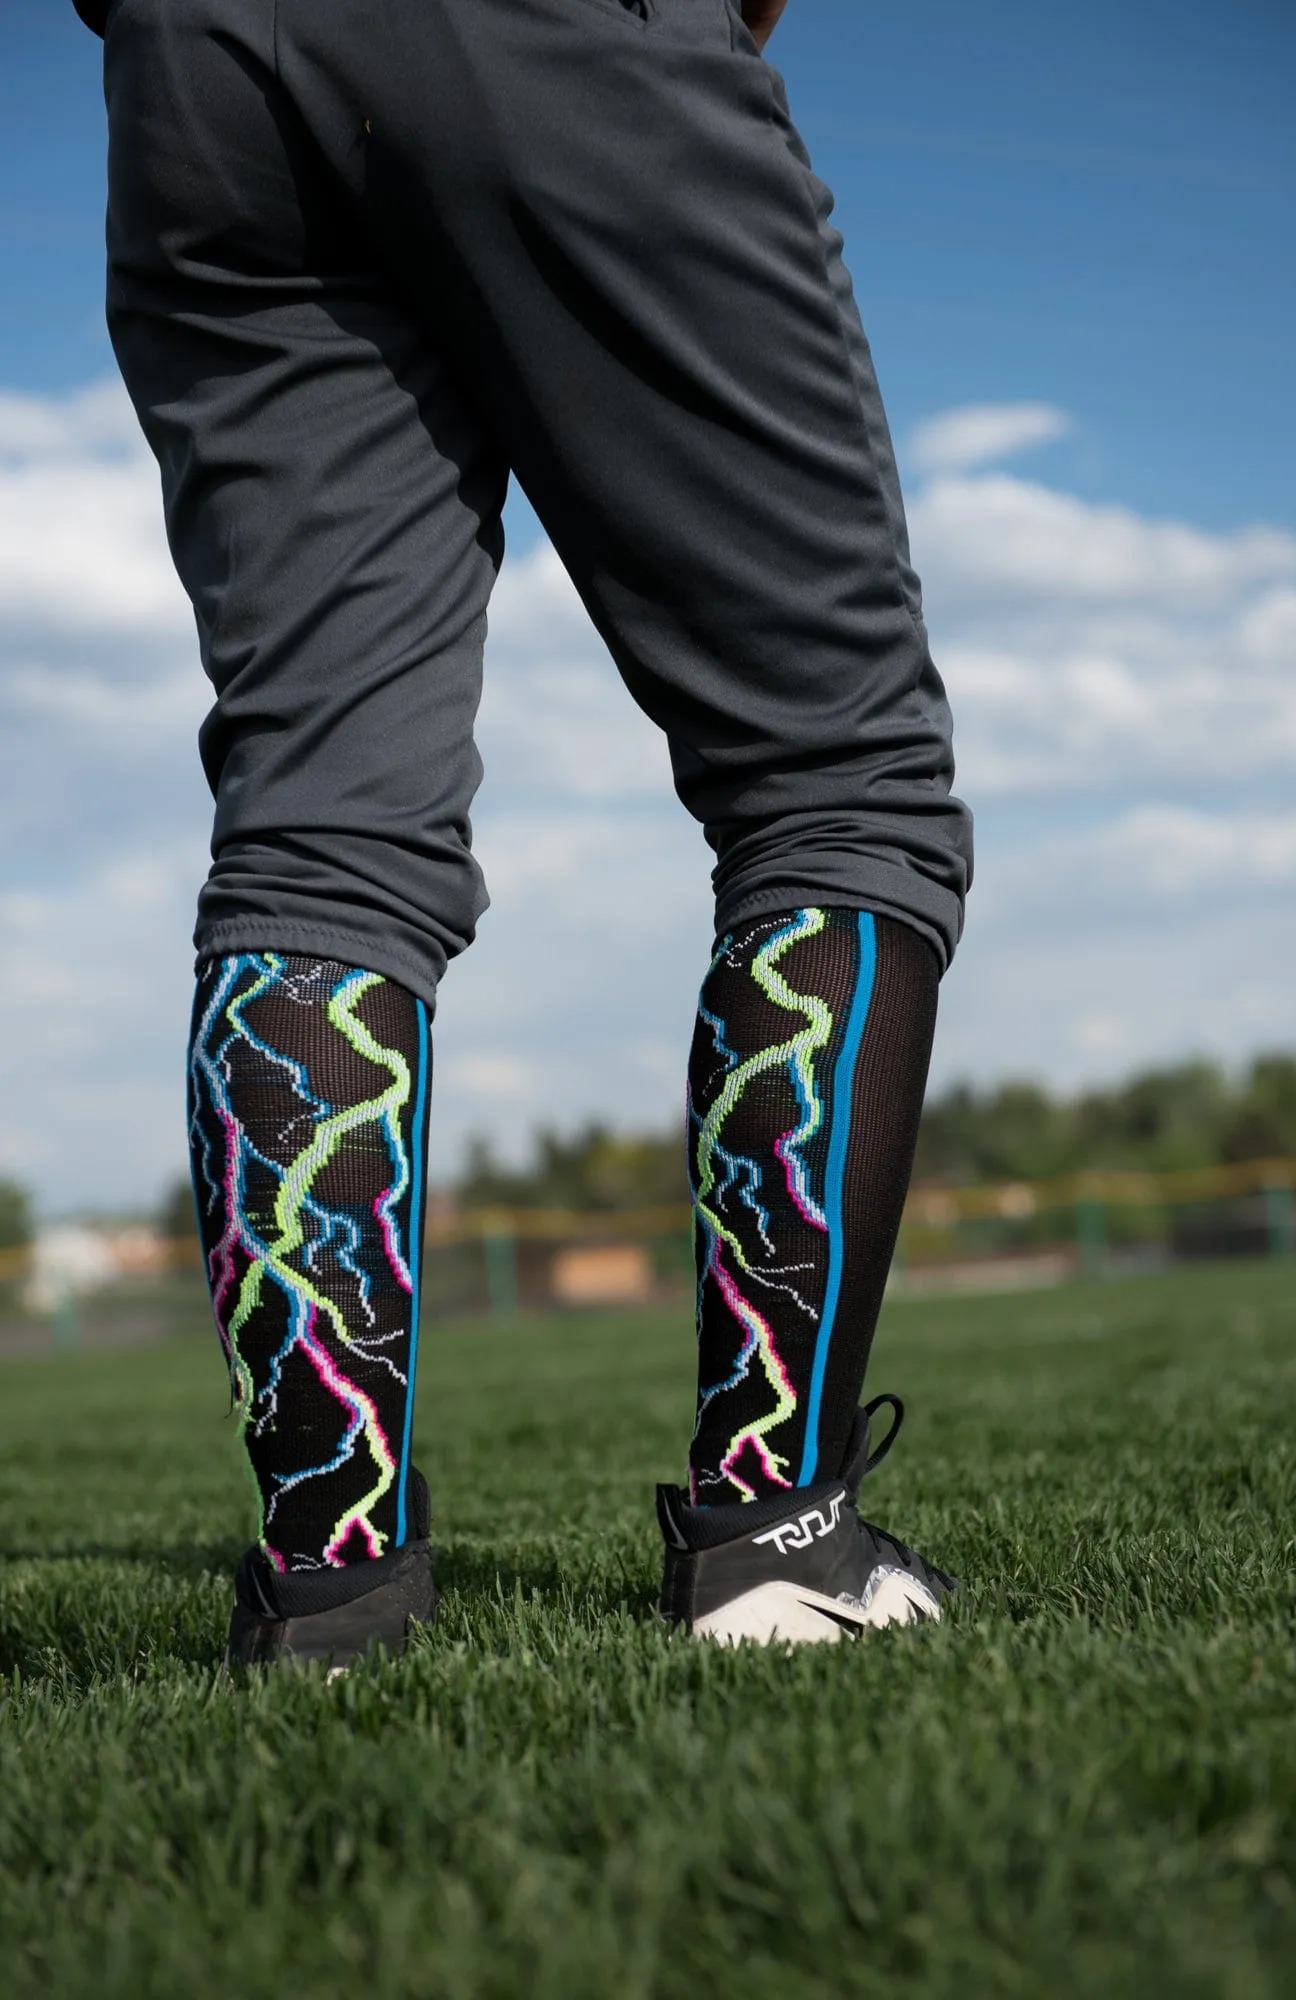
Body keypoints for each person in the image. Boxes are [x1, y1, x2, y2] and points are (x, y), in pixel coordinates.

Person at [74, 0, 973, 1664]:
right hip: (559, 40)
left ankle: (332, 1601)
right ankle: (774, 1536)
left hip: (191, 65)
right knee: (835, 778)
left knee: (320, 830)